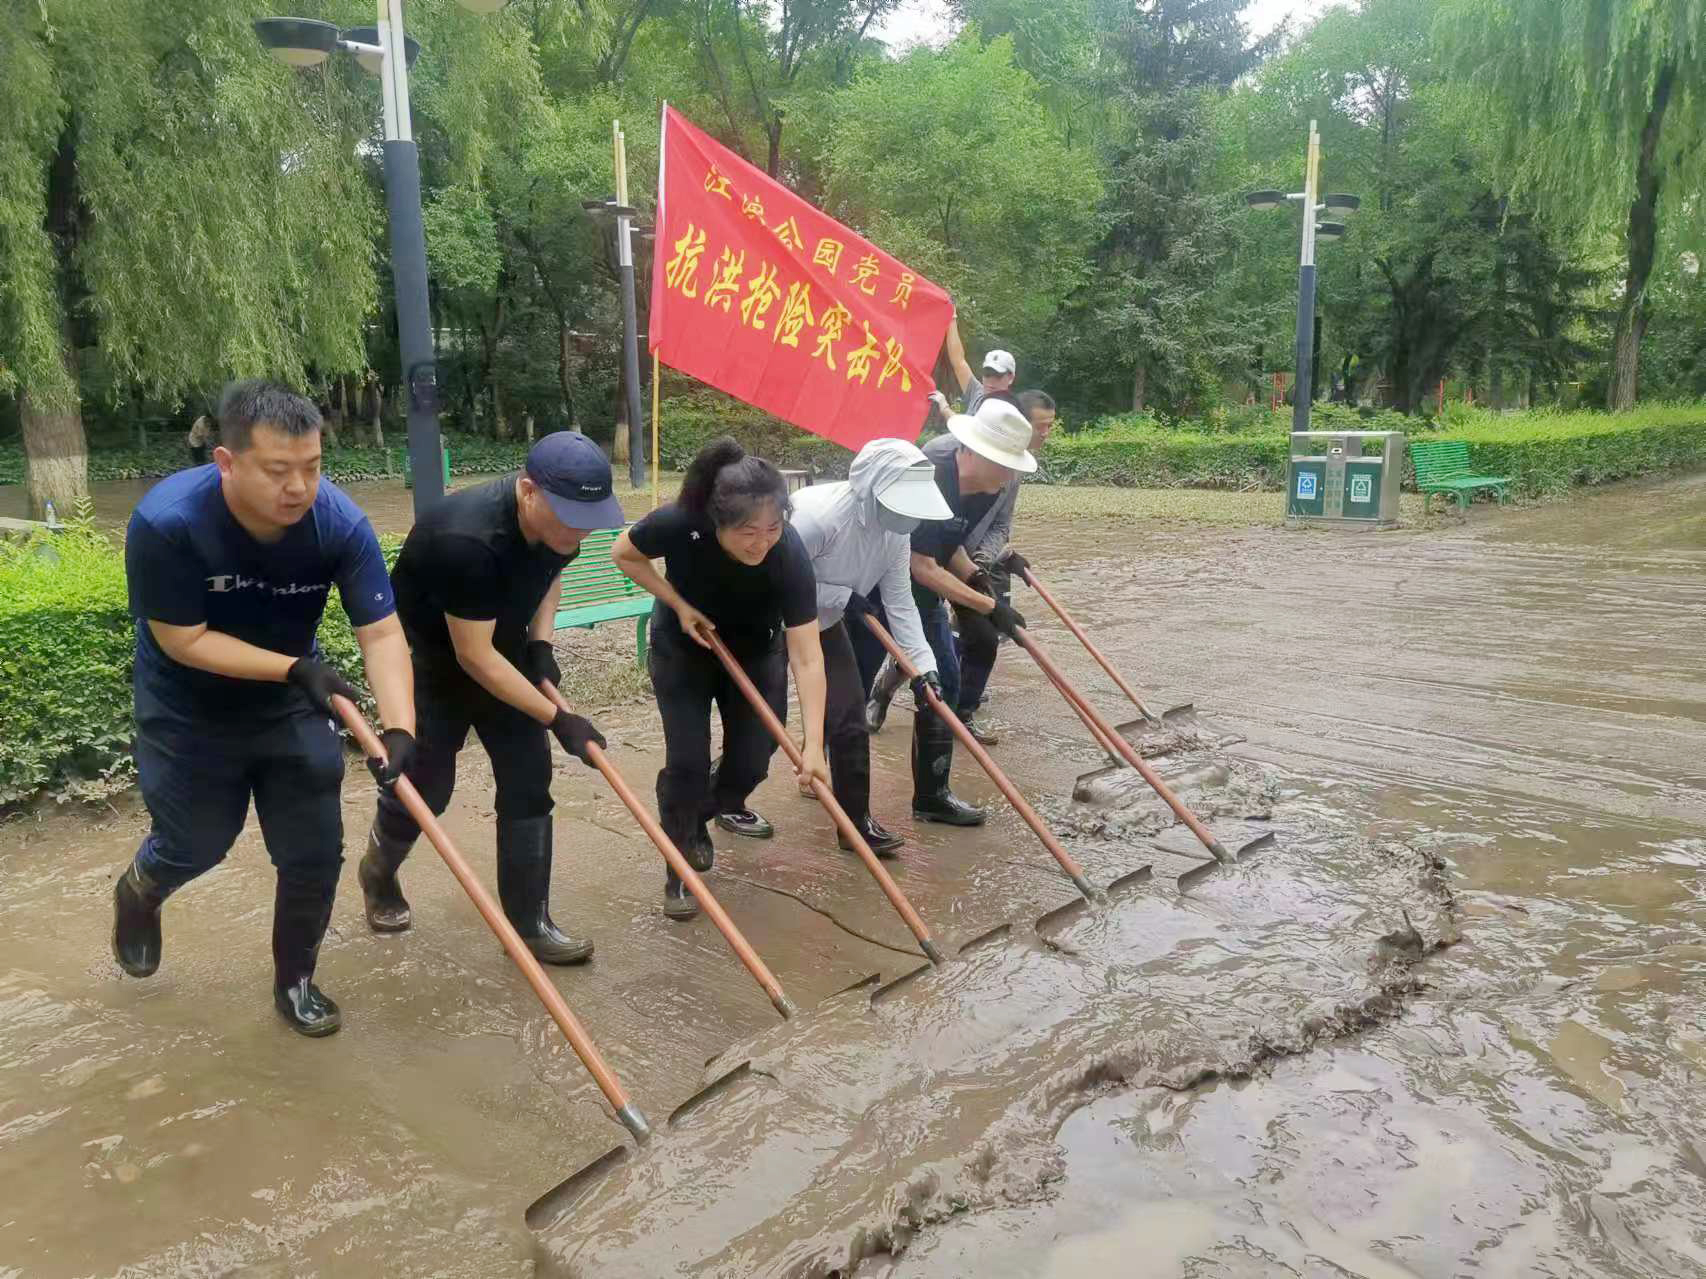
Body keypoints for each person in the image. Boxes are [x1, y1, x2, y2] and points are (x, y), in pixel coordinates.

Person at [112, 379, 416, 1038]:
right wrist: (295, 666)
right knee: (198, 840)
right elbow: (181, 640)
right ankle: (141, 888)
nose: (300, 488)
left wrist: (400, 728)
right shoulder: (168, 524)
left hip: (287, 699)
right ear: (227, 462)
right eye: (279, 470)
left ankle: (295, 979)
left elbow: (383, 632)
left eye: (312, 467)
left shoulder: (338, 524)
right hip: (188, 703)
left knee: (313, 849)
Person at [358, 432, 622, 965]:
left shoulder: (564, 523)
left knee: (529, 780)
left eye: (589, 518)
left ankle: (529, 922)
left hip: (502, 650)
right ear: (528, 491)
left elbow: (552, 572)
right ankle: (378, 874)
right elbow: (473, 658)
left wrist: (542, 644)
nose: (581, 530)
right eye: (571, 517)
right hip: (435, 664)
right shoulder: (469, 539)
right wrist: (559, 718)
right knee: (427, 789)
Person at [611, 438, 828, 920]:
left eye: (773, 527)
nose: (762, 542)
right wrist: (679, 604)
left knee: (753, 761)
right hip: (684, 650)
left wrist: (813, 745)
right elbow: (623, 554)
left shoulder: (787, 553)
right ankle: (680, 863)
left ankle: (699, 814)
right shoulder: (679, 522)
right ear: (716, 522)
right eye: (748, 531)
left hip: (754, 653)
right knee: (687, 762)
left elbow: (808, 655)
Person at [852, 399, 1034, 825]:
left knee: (943, 682)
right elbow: (920, 562)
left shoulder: (980, 486)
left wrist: (975, 579)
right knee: (853, 683)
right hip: (872, 585)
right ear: (977, 453)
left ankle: (931, 797)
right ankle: (822, 762)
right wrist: (991, 607)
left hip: (919, 588)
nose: (1009, 477)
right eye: (1005, 465)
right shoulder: (932, 472)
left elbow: (946, 547)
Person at [791, 438, 953, 856]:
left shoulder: (895, 534)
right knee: (760, 724)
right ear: (870, 491)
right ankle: (728, 787)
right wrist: (840, 596)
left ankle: (854, 823)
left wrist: (923, 670)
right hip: (772, 620)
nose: (908, 516)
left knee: (850, 719)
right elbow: (777, 582)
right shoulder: (817, 519)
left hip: (826, 626)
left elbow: (901, 603)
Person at [946, 388, 1057, 743]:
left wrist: (987, 560)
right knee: (930, 644)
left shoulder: (1012, 469)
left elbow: (999, 524)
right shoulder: (948, 465)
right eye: (1041, 426)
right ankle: (889, 687)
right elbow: (935, 541)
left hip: (969, 558)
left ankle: (962, 712)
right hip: (933, 557)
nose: (1046, 433)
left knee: (981, 639)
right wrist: (983, 591)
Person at [943, 316, 1016, 417]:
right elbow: (958, 361)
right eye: (987, 374)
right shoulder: (977, 392)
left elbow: (966, 430)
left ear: (1011, 378)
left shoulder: (1009, 411)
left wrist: (944, 408)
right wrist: (952, 318)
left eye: (998, 376)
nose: (991, 381)